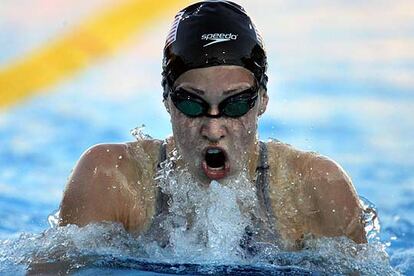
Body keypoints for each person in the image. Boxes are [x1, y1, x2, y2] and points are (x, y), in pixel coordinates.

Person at [59, 0, 366, 251]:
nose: (214, 128)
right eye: (192, 103)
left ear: (262, 100)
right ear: (167, 101)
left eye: (235, 104)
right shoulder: (112, 180)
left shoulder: (316, 189)